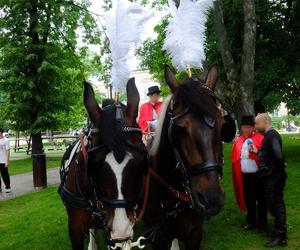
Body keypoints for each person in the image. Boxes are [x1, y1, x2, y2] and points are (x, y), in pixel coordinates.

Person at [253, 113, 287, 247]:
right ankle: (278, 231)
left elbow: (278, 156)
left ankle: (281, 237)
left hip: (274, 178)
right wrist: (257, 152)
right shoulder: (268, 136)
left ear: (265, 121)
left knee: (277, 205)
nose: (255, 126)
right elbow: (269, 155)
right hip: (270, 177)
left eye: (256, 123)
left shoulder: (272, 135)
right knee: (273, 204)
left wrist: (278, 170)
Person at [231, 115, 267, 230]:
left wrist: (256, 153)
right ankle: (251, 221)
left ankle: (262, 222)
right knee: (250, 199)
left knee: (261, 199)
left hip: (258, 176)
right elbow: (235, 158)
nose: (246, 129)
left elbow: (265, 156)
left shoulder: (260, 138)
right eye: (244, 127)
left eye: (248, 127)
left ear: (253, 128)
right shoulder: (239, 140)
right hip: (245, 176)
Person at [0, 128, 11, 193]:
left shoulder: (6, 140)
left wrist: (7, 161)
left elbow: (8, 151)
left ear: (0, 132)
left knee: (4, 175)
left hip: (3, 161)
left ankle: (8, 187)